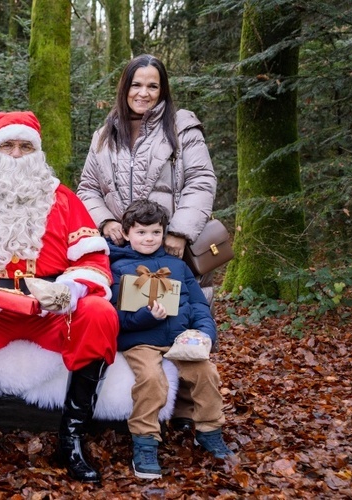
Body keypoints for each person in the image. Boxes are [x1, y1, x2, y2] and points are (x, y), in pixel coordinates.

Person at [0, 111, 119, 484]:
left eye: (25, 145)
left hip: (48, 310)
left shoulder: (64, 200)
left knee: (99, 312)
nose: (15, 153)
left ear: (37, 152)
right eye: (7, 145)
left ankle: (71, 438)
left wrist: (69, 289)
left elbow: (93, 260)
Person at [76, 54, 217, 432]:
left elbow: (201, 180)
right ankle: (130, 409)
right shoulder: (105, 134)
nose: (144, 93)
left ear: (162, 89)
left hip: (170, 243)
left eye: (152, 85)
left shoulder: (181, 124)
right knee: (135, 321)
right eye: (136, 85)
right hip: (123, 247)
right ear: (124, 88)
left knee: (184, 318)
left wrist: (179, 231)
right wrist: (105, 220)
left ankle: (188, 412)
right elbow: (87, 186)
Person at [109, 199, 236, 479]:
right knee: (152, 379)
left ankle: (210, 431)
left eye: (155, 232)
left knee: (206, 372)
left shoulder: (177, 266)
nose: (149, 238)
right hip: (139, 340)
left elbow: (199, 305)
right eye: (141, 232)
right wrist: (145, 317)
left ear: (164, 233)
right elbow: (111, 317)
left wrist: (205, 334)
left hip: (179, 340)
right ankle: (144, 442)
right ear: (127, 233)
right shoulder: (116, 266)